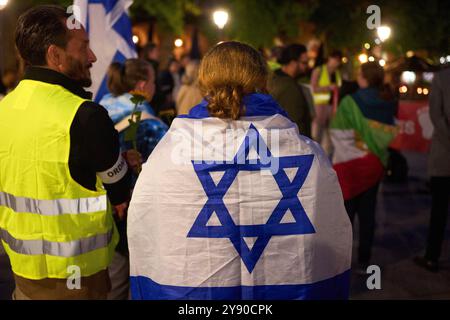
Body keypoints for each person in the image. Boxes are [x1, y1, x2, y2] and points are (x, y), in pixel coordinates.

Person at [128, 41, 352, 300]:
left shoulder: (171, 152)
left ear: (205, 80)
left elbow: (149, 221)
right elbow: (330, 227)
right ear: (262, 79)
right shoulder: (306, 154)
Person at [0, 5, 132, 299]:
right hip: (78, 280)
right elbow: (121, 190)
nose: (93, 57)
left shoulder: (4, 109)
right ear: (55, 56)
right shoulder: (85, 116)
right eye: (83, 47)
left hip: (22, 277)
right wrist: (129, 165)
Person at [99, 58, 167, 299]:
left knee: (113, 279)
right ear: (141, 85)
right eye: (152, 81)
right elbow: (166, 170)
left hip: (102, 206)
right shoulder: (149, 124)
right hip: (135, 210)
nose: (155, 87)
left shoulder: (101, 107)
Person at [330, 62, 397, 273]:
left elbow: (338, 133)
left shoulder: (351, 102)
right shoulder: (388, 102)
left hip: (350, 165)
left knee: (345, 215)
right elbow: (390, 132)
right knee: (368, 214)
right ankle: (365, 260)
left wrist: (356, 149)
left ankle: (341, 261)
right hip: (375, 164)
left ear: (365, 78)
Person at [414, 68, 450, 272]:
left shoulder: (442, 78)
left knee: (439, 211)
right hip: (443, 158)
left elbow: (436, 115)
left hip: (444, 158)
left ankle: (432, 257)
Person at [268, 44, 312, 137]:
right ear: (293, 63)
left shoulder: (274, 79)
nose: (307, 66)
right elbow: (296, 122)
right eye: (304, 63)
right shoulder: (289, 87)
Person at [311, 50, 343, 154]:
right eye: (335, 60)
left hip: (332, 107)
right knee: (317, 135)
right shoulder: (319, 71)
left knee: (330, 136)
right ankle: (315, 155)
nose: (336, 63)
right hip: (319, 107)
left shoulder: (337, 73)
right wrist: (328, 87)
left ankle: (327, 157)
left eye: (338, 61)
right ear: (329, 58)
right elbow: (314, 88)